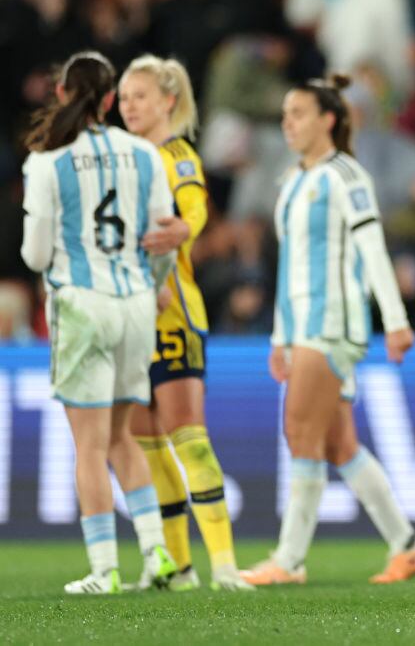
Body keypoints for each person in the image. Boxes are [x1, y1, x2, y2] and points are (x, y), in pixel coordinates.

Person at [241, 74, 415, 586]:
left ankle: (289, 561)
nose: (288, 123)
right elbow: (290, 268)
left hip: (331, 325)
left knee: (300, 432)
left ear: (328, 119)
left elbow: (373, 251)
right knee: (338, 446)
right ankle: (408, 546)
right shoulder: (292, 181)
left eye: (298, 113)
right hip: (302, 326)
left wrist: (396, 322)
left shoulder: (346, 176)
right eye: (284, 115)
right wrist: (279, 335)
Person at [20, 51, 183, 594]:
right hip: (137, 304)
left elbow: (36, 255)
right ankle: (158, 555)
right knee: (121, 438)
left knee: (88, 445)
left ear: (63, 94)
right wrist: (153, 283)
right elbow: (162, 239)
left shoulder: (46, 161)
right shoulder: (143, 154)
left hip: (82, 305)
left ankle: (104, 569)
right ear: (111, 100)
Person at [118, 55, 251, 591]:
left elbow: (193, 209)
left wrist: (182, 232)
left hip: (173, 314)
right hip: (127, 316)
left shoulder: (177, 156)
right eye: (124, 98)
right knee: (147, 446)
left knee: (189, 440)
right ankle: (177, 570)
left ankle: (224, 565)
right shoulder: (122, 158)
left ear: (167, 101)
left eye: (139, 97)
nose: (129, 107)